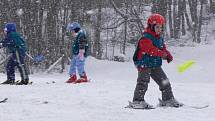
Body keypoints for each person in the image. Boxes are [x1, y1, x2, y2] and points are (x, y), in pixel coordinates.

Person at [130, 14, 183, 109]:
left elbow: (162, 48)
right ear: (151, 26)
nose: (159, 29)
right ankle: (137, 101)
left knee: (164, 81)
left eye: (161, 27)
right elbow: (150, 49)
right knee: (143, 82)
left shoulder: (159, 38)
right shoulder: (146, 37)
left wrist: (168, 55)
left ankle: (168, 99)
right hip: (144, 64)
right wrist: (161, 54)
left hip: (155, 64)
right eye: (157, 27)